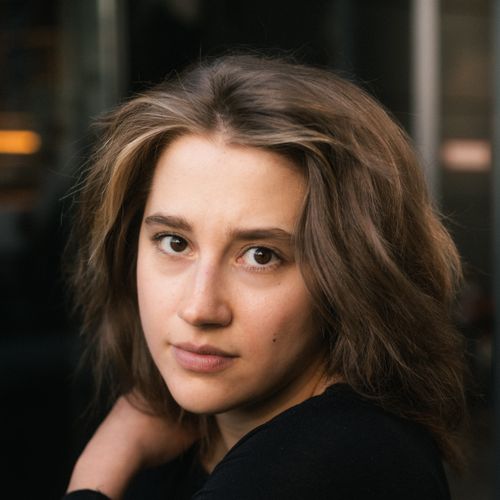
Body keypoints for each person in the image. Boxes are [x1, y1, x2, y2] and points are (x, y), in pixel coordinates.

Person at [64, 54, 467, 499]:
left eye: (260, 255)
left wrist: (101, 466)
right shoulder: (189, 446)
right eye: (175, 243)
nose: (199, 308)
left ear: (349, 278)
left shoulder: (337, 460)